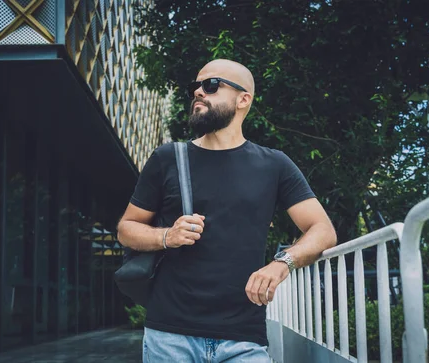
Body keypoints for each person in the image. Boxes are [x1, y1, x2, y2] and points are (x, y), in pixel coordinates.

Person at [117, 59, 337, 362]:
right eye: (195, 87)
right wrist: (167, 235)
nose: (198, 93)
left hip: (244, 338)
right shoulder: (168, 158)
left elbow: (323, 230)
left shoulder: (274, 165)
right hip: (171, 335)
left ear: (243, 99)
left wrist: (282, 263)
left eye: (210, 85)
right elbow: (126, 229)